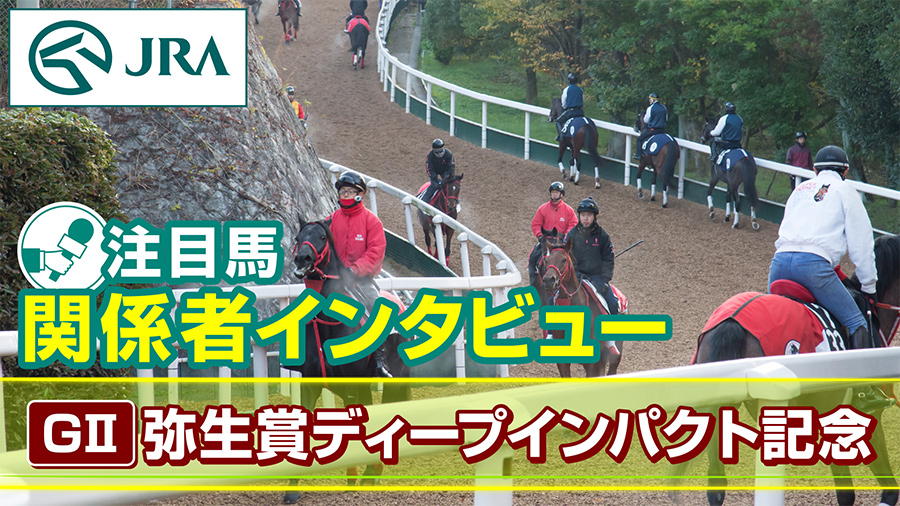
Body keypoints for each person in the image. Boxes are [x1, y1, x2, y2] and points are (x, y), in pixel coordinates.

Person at [768, 145, 876, 350]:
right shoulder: (845, 190)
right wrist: (869, 286)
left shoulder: (799, 190)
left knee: (768, 320)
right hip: (813, 268)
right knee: (856, 321)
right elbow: (861, 244)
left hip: (779, 264)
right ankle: (862, 372)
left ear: (815, 170)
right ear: (845, 171)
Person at [330, 171, 391, 377]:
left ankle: (379, 360)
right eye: (342, 191)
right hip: (334, 282)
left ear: (360, 194)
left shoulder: (372, 222)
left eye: (350, 191)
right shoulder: (331, 220)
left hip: (361, 281)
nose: (345, 195)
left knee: (377, 308)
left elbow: (375, 253)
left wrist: (354, 270)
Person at [565, 197, 618, 315]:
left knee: (613, 304)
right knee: (553, 300)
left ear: (595, 216)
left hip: (597, 278)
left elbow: (608, 259)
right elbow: (567, 257)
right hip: (576, 278)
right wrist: (577, 274)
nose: (585, 218)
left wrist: (605, 280)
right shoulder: (571, 235)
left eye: (589, 215)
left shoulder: (603, 236)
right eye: (583, 215)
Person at [528, 181, 578, 290]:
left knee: (576, 261)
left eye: (556, 192)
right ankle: (534, 287)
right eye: (553, 192)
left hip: (562, 243)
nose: (554, 194)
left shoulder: (569, 210)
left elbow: (573, 224)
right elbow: (536, 224)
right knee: (532, 259)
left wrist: (566, 236)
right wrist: (540, 235)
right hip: (546, 241)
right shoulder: (542, 209)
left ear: (561, 194)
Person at [634, 92, 667, 160]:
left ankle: (638, 155)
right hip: (662, 131)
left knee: (639, 139)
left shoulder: (650, 108)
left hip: (653, 130)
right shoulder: (664, 108)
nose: (649, 100)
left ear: (653, 100)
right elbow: (666, 119)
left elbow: (646, 120)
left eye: (650, 99)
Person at [422, 139, 455, 204]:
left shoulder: (449, 154)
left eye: (440, 152)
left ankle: (456, 202)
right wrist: (436, 179)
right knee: (434, 185)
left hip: (444, 171)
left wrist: (449, 178)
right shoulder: (430, 156)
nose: (439, 154)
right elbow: (429, 169)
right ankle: (424, 201)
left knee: (451, 186)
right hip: (434, 171)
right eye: (437, 152)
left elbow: (451, 168)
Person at [555, 73, 584, 141]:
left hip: (571, 111)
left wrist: (565, 107)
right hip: (580, 112)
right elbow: (582, 100)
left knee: (558, 121)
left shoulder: (566, 90)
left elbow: (563, 103)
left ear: (569, 81)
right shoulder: (580, 90)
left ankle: (561, 137)